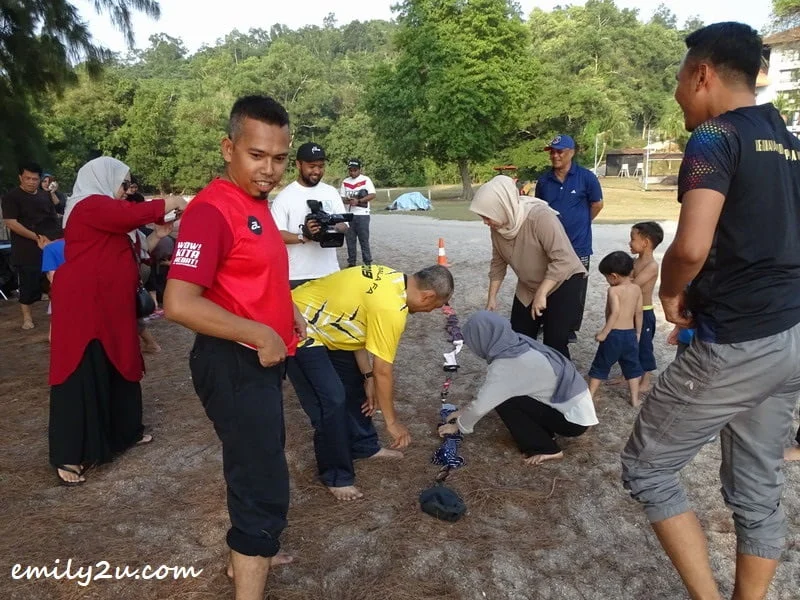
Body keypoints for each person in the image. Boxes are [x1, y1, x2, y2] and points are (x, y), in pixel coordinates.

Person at [620, 23, 800, 600]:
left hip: (740, 340)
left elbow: (691, 247)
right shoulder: (790, 142)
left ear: (701, 74)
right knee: (757, 490)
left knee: (647, 467)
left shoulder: (714, 139)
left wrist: (671, 294)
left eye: (678, 80)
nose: (676, 94)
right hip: (790, 334)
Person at [163, 95, 303, 600]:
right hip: (233, 362)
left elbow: (256, 276)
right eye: (256, 155)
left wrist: (286, 313)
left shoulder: (257, 204)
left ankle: (242, 558)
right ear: (228, 148)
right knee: (262, 484)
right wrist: (261, 333)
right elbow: (178, 302)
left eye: (279, 158)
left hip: (258, 361)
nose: (269, 169)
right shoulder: (210, 211)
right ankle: (250, 566)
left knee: (252, 464)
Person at [48, 157, 186, 487]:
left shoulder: (107, 216)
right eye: (123, 184)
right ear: (104, 179)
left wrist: (158, 234)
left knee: (120, 363)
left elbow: (138, 253)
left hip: (112, 306)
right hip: (84, 307)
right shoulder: (90, 206)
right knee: (80, 370)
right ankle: (70, 451)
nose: (126, 191)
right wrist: (174, 201)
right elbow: (134, 214)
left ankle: (125, 432)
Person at [289, 264, 454, 500]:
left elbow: (356, 327)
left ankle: (363, 446)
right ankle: (336, 476)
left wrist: (367, 377)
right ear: (427, 295)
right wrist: (392, 422)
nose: (429, 311)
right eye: (433, 306)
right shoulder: (391, 308)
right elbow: (384, 371)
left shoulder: (393, 279)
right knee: (331, 401)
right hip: (296, 323)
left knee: (356, 385)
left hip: (328, 329)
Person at [438, 310, 597, 466]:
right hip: (577, 409)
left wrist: (457, 426)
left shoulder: (507, 364)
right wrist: (462, 412)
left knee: (506, 401)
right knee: (507, 395)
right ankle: (546, 431)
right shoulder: (516, 342)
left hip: (573, 422)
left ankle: (546, 448)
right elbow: (490, 392)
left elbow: (482, 405)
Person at [469, 175, 586, 359]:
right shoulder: (497, 227)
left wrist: (542, 292)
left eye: (486, 216)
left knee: (554, 341)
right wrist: (492, 298)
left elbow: (563, 259)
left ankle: (563, 382)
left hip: (564, 281)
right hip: (529, 285)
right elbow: (498, 262)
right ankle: (526, 377)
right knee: (519, 337)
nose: (485, 222)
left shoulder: (540, 217)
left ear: (502, 207)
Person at [535, 134, 603, 342]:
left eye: (560, 151)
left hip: (578, 245)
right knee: (548, 280)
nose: (555, 155)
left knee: (576, 288)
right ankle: (546, 320)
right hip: (550, 245)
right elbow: (538, 210)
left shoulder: (586, 177)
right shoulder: (544, 181)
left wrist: (582, 223)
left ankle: (570, 327)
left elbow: (597, 204)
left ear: (572, 152)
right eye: (552, 152)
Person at [270, 142, 348, 288]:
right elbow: (276, 234)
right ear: (298, 165)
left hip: (329, 272)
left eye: (321, 166)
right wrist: (304, 236)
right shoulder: (284, 197)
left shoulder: (331, 192)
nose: (317, 171)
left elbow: (345, 224)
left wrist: (331, 227)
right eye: (312, 166)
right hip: (296, 275)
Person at [1, 162, 63, 330]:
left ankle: (58, 314)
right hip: (26, 248)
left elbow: (53, 219)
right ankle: (27, 317)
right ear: (20, 177)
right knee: (27, 284)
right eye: (27, 178)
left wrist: (57, 240)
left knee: (54, 281)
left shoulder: (44, 195)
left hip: (50, 246)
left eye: (35, 179)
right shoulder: (11, 197)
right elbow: (11, 223)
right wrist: (36, 237)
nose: (31, 182)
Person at [587, 251, 643, 406]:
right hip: (630, 334)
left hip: (614, 335)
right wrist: (638, 332)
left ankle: (590, 395)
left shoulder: (613, 290)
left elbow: (615, 312)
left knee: (600, 366)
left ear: (613, 276)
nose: (607, 280)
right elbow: (639, 312)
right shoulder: (637, 289)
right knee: (632, 367)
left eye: (606, 277)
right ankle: (634, 398)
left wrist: (604, 332)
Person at [628, 221, 663, 392]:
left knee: (644, 346)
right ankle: (627, 374)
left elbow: (634, 284)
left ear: (646, 242)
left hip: (645, 312)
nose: (630, 243)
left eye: (633, 239)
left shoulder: (651, 266)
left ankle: (646, 380)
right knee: (628, 343)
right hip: (631, 311)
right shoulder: (635, 261)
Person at [339, 159, 375, 267]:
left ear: (359, 169)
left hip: (362, 214)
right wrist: (348, 200)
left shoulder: (365, 180)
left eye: (355, 170)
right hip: (349, 214)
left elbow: (372, 195)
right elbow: (341, 197)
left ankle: (367, 261)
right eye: (350, 170)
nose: (352, 172)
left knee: (364, 239)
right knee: (350, 240)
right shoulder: (345, 182)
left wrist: (359, 201)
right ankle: (351, 262)